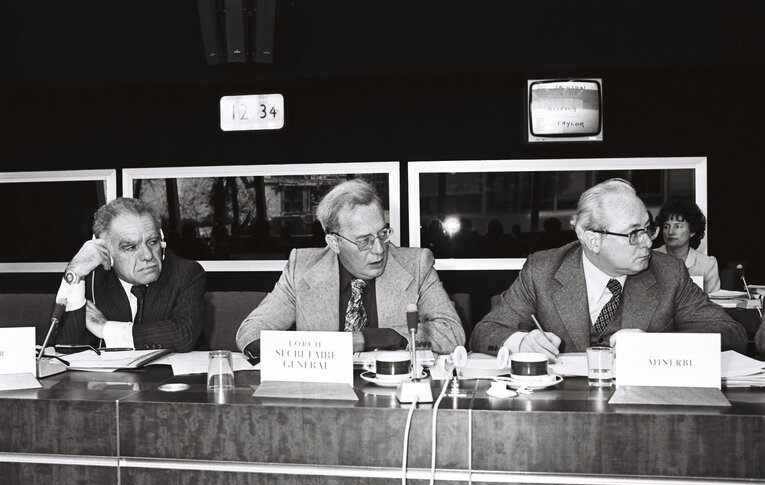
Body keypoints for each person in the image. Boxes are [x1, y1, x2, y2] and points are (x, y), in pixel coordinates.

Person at [470, 179, 747, 360]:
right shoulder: (542, 270)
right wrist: (521, 343)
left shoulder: (669, 273)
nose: (649, 242)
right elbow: (485, 332)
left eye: (648, 229)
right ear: (592, 239)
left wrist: (651, 346)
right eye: (633, 234)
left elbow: (732, 336)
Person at [236, 179, 465, 356]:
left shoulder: (416, 265)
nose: (378, 249)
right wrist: (304, 351)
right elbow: (251, 331)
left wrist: (374, 339)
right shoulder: (302, 269)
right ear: (334, 242)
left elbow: (452, 332)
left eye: (382, 234)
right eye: (364, 240)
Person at [56, 198, 206, 352]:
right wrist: (74, 275)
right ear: (106, 251)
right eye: (131, 247)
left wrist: (104, 328)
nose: (147, 255)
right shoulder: (92, 280)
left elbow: (183, 336)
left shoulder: (186, 273)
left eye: (153, 242)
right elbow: (67, 348)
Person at [654, 199, 720, 293]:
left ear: (692, 231)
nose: (671, 232)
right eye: (666, 227)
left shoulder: (706, 265)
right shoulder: (650, 259)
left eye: (678, 226)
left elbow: (713, 304)